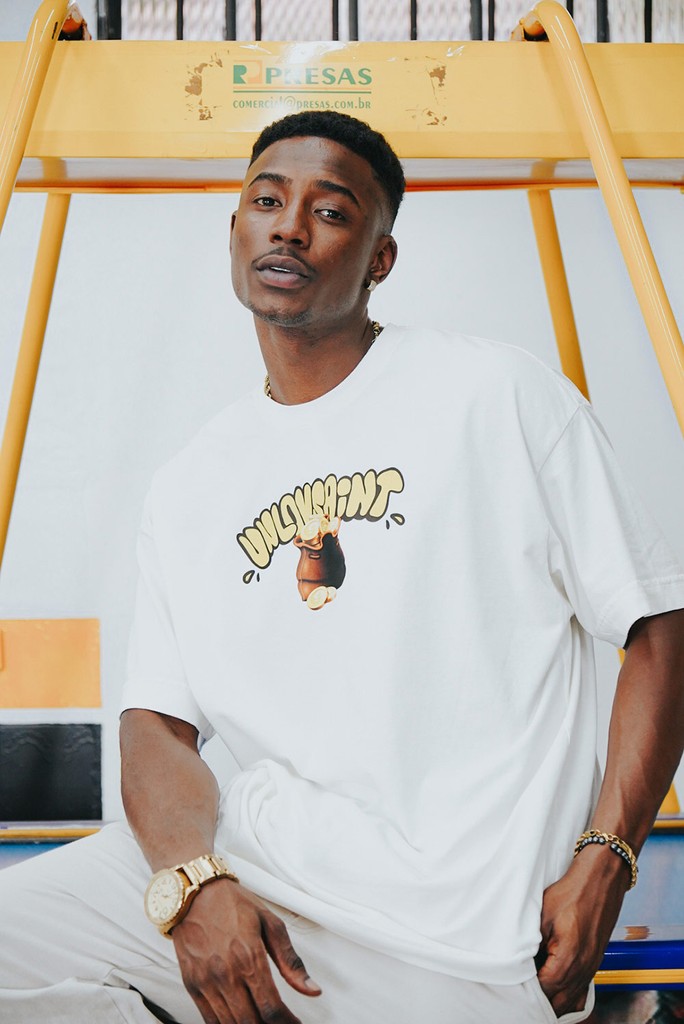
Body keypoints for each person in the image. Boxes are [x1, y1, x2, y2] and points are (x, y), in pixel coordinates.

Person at [1, 111, 684, 1024]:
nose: (289, 227)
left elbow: (660, 626)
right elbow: (155, 728)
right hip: (257, 876)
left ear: (379, 259)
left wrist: (608, 856)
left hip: (461, 939)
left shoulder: (499, 396)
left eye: (329, 212)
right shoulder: (191, 483)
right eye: (267, 202)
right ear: (235, 232)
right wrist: (194, 882)